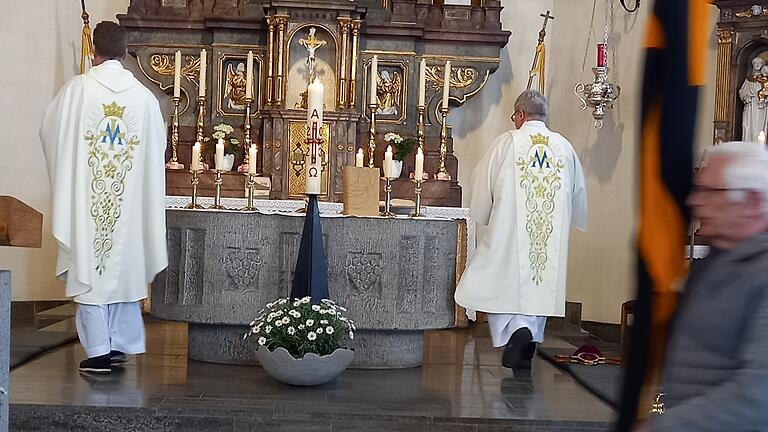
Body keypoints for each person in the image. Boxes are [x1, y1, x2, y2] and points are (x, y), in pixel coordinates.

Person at [40, 21, 168, 374]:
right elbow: (158, 150)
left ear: (92, 51)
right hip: (126, 208)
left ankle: (98, 351)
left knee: (91, 270)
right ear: (126, 53)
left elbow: (49, 130)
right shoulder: (145, 98)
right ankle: (118, 346)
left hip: (88, 202)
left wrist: (71, 170)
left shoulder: (77, 91)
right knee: (124, 270)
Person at [633, 142, 768, 431]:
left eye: (711, 192)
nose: (694, 201)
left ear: (752, 201)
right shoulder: (708, 266)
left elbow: (757, 395)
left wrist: (660, 428)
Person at [455, 90, 587, 369]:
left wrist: (484, 213)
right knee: (541, 280)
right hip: (548, 232)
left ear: (519, 115)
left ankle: (517, 333)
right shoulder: (563, 146)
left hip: (510, 229)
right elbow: (578, 190)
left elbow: (482, 178)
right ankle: (530, 338)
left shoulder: (506, 143)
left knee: (499, 277)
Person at [739, 56, 767, 142]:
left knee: (760, 127)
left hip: (762, 107)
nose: (757, 65)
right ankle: (748, 145)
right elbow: (742, 91)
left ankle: (760, 146)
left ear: (763, 65)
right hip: (750, 106)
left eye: (760, 63)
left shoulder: (765, 80)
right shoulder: (749, 80)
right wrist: (745, 97)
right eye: (755, 63)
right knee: (747, 125)